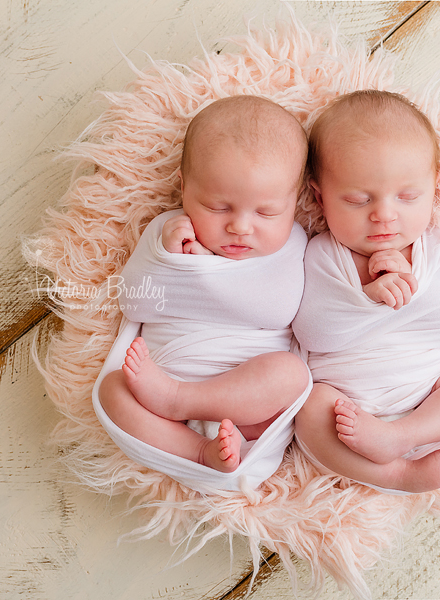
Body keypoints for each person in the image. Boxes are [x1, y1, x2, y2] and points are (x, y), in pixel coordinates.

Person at [99, 95, 310, 474]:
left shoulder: (292, 244)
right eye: (218, 207)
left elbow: (278, 309)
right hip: (161, 373)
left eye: (266, 212)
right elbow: (133, 302)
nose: (241, 227)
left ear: (297, 200)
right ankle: (198, 451)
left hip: (245, 400)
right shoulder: (167, 231)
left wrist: (201, 274)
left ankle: (183, 401)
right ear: (184, 187)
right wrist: (169, 260)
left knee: (292, 375)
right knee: (110, 390)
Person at [292, 90, 440, 493]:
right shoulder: (324, 253)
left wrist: (412, 291)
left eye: (408, 196)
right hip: (346, 406)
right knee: (309, 411)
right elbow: (312, 333)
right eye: (358, 199)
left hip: (427, 397)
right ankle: (398, 474)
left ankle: (402, 438)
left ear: (435, 185)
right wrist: (368, 297)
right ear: (319, 196)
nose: (384, 214)